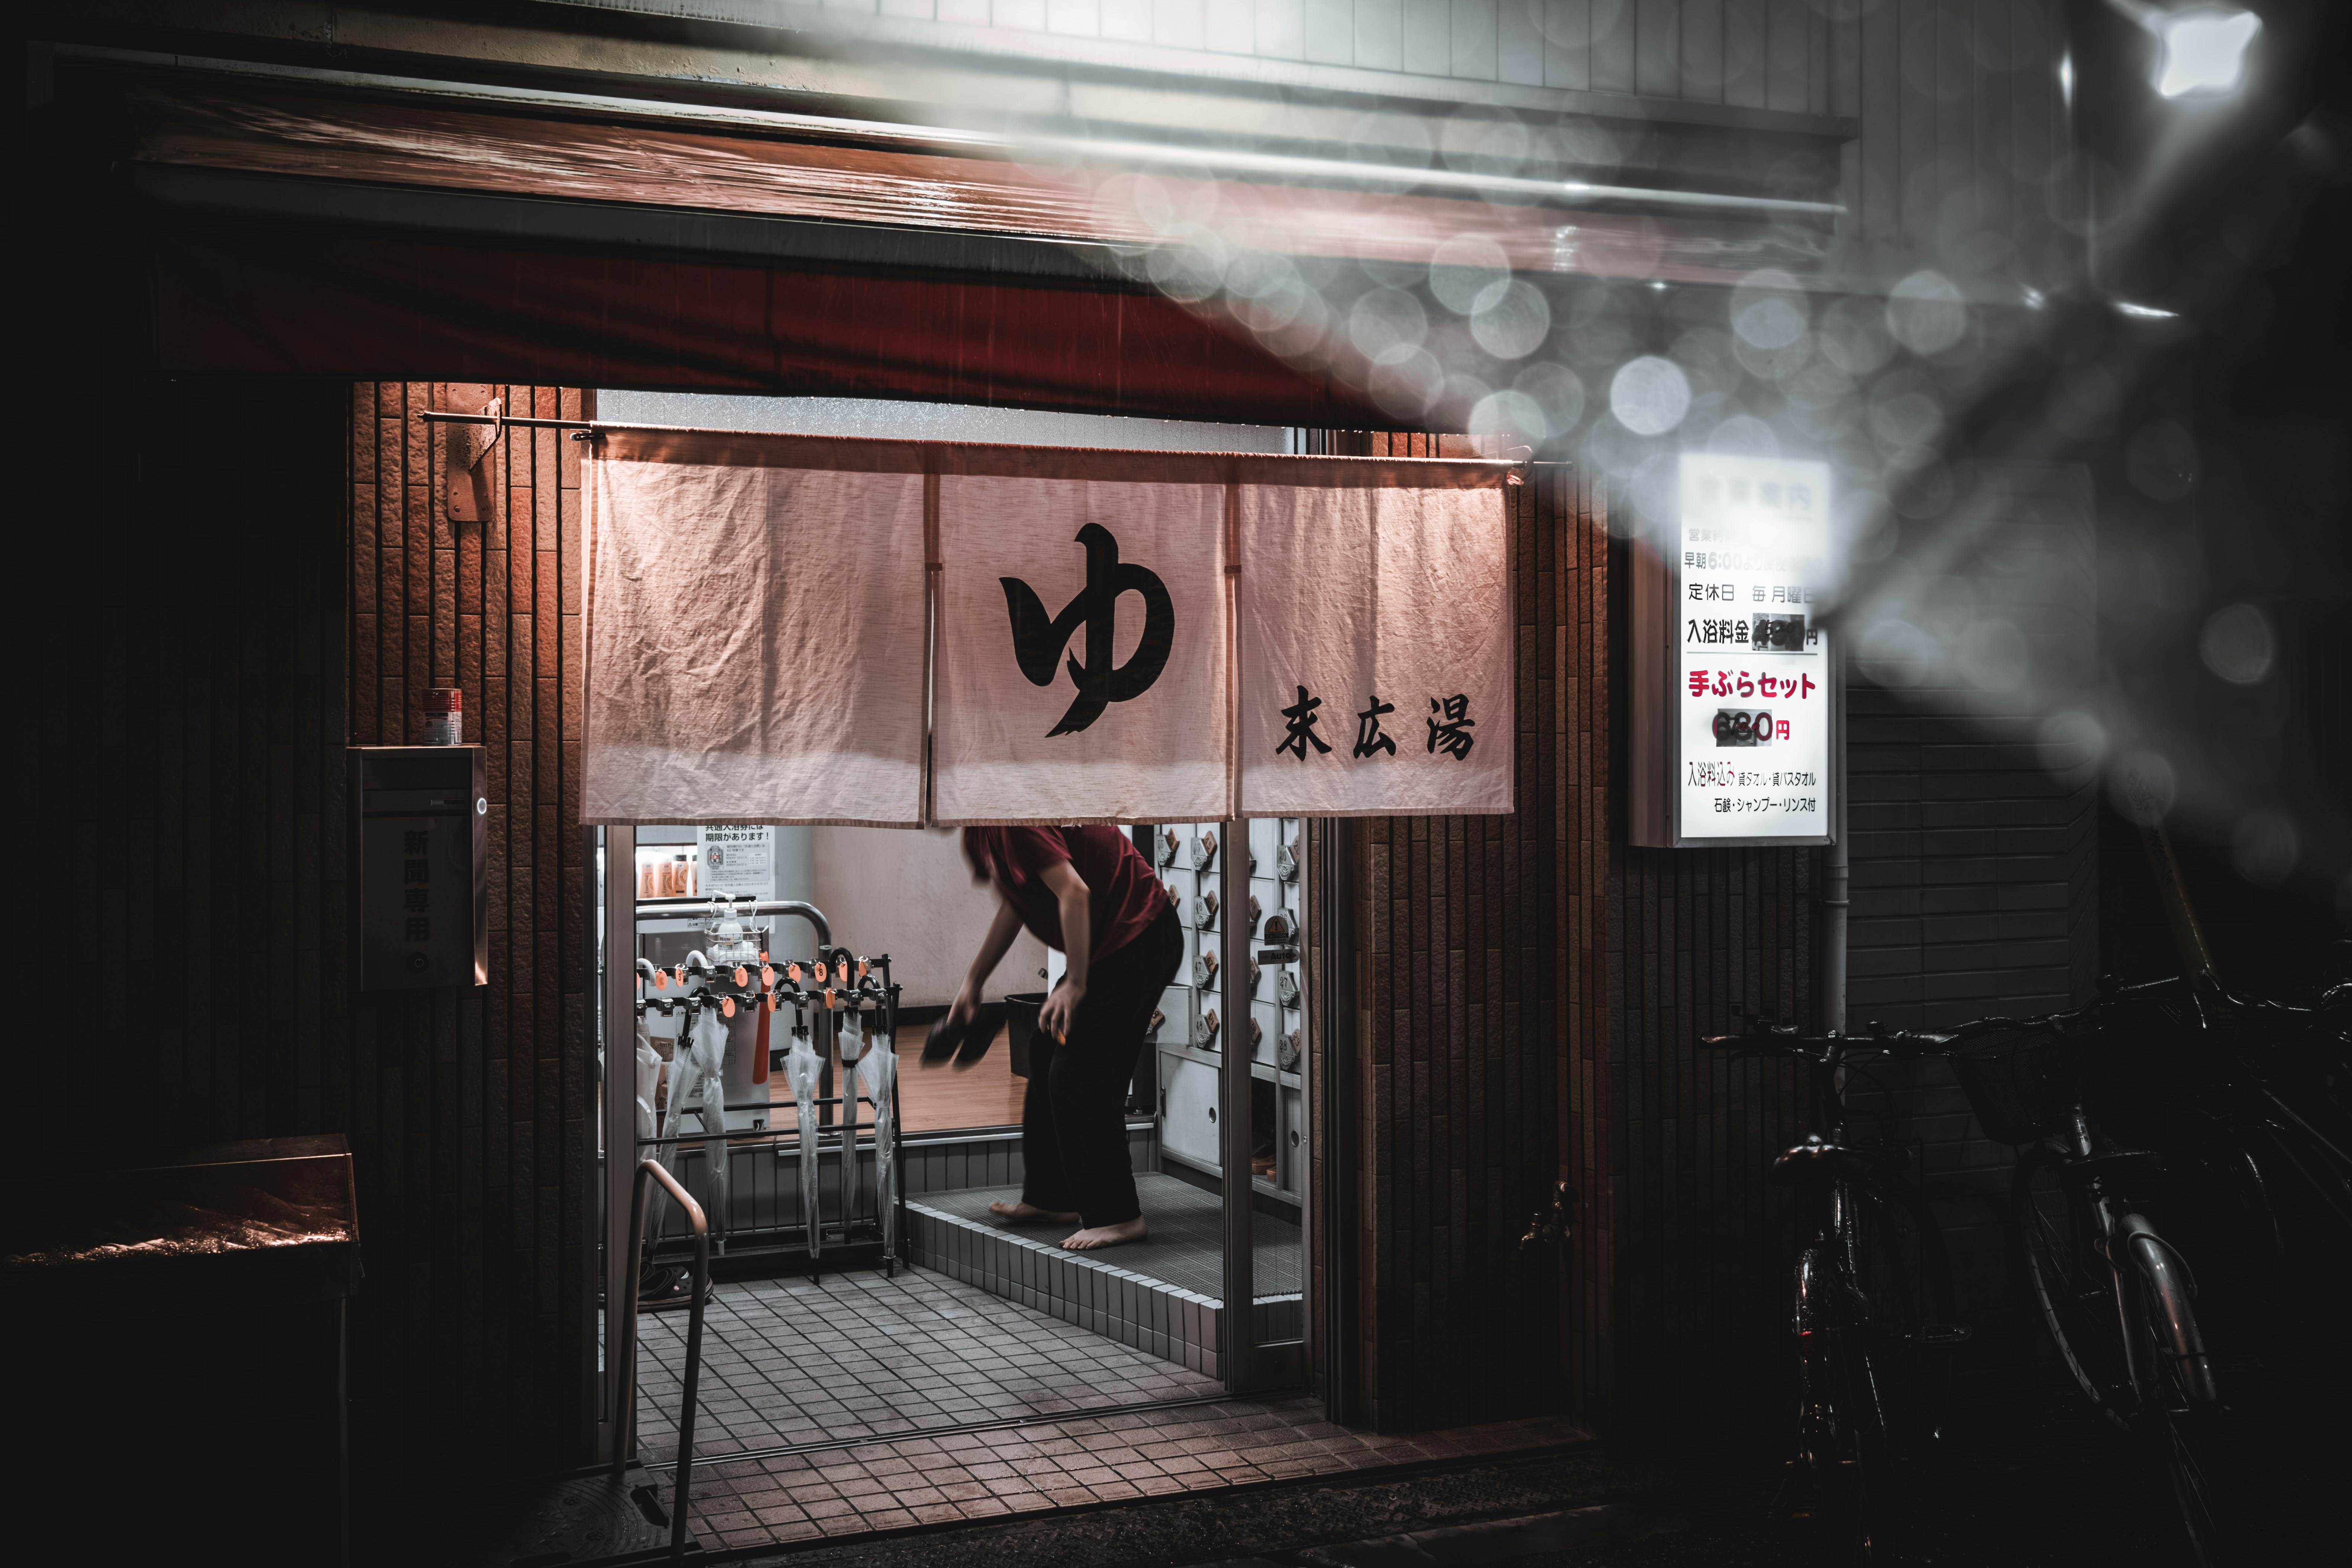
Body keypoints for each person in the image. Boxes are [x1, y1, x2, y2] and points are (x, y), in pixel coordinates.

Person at [950, 826, 1180, 1251]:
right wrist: (973, 981)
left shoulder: (1015, 819)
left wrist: (1075, 983)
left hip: (1140, 933)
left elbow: (1074, 893)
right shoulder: (981, 831)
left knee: (1080, 1074)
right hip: (1109, 940)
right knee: (1045, 1049)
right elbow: (1017, 902)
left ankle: (1119, 1216)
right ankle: (1052, 1199)